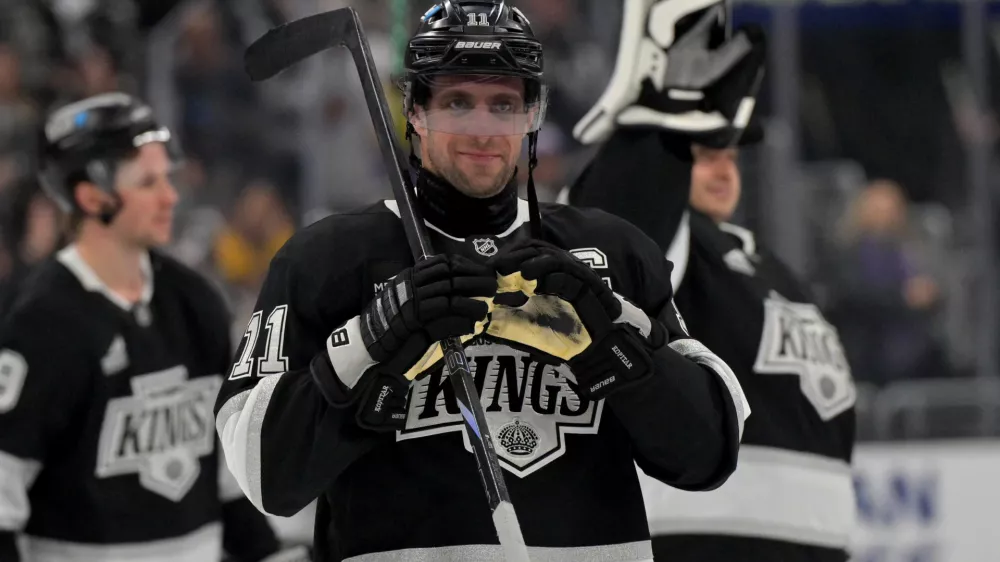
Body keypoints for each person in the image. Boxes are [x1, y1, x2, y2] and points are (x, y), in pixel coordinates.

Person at [214, 1, 749, 561]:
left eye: (503, 105)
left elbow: (709, 453)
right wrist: (367, 345)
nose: (481, 129)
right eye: (457, 103)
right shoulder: (329, 260)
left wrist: (617, 340)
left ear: (533, 115)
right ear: (414, 111)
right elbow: (263, 474)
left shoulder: (612, 253)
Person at [563, 2, 858, 561]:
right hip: (696, 541)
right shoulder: (658, 248)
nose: (724, 167)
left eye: (729, 153)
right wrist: (657, 125)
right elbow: (616, 225)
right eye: (702, 153)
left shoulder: (764, 264)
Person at [0, 92, 308, 562]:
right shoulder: (40, 325)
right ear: (91, 196)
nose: (170, 196)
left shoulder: (193, 301)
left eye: (166, 177)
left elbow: (224, 477)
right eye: (148, 182)